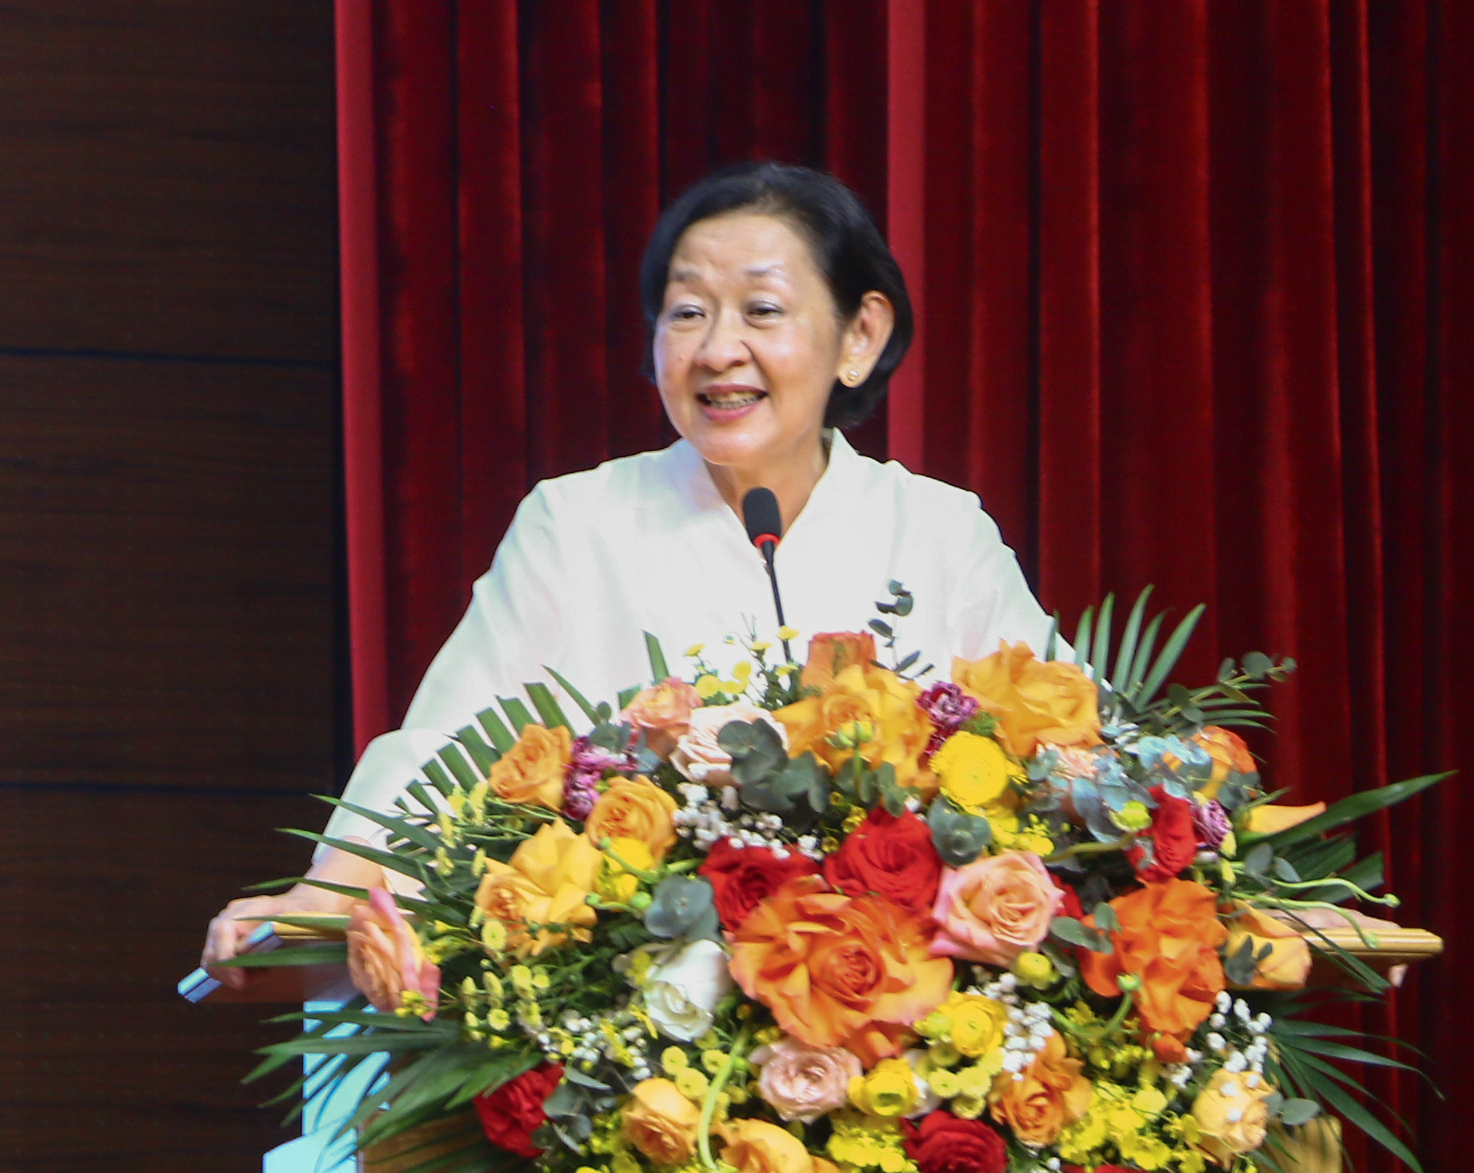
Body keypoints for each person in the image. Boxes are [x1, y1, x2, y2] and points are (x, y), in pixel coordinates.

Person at [197, 160, 1056, 987]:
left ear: (859, 336)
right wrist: (333, 894)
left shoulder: (939, 533)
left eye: (762, 310)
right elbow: (448, 747)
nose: (719, 350)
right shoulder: (579, 523)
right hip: (631, 1014)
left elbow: (1067, 748)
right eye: (686, 313)